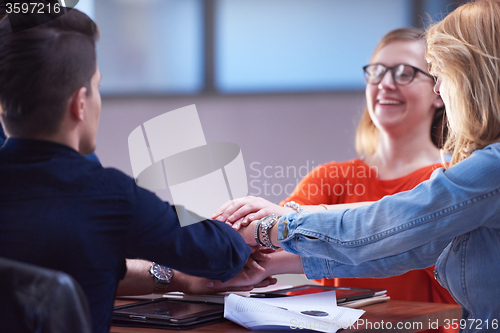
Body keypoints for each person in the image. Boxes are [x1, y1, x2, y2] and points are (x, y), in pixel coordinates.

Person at [234, 1, 500, 331]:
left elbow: (383, 229)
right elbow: (395, 243)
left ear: (472, 78)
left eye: (436, 74)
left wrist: (274, 226)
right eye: (377, 71)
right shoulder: (333, 175)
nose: (439, 88)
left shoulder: (487, 169)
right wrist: (265, 236)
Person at [0, 9, 267, 333]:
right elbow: (219, 254)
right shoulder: (109, 197)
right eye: (96, 86)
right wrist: (241, 230)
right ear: (80, 103)